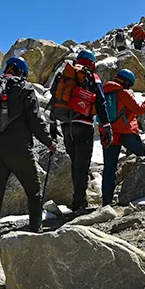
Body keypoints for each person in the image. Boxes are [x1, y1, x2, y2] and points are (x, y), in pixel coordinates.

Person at [0, 57, 55, 245]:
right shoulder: (24, 89)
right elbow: (35, 120)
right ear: (21, 72)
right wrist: (49, 143)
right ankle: (35, 232)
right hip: (18, 150)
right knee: (33, 190)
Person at [48, 49, 112, 213]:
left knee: (75, 162)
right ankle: (79, 202)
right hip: (83, 124)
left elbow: (54, 99)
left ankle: (78, 199)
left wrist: (53, 124)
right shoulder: (91, 77)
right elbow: (101, 102)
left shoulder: (64, 75)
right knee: (82, 164)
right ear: (92, 63)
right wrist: (106, 125)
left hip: (65, 124)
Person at [101, 69, 145, 206]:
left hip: (108, 134)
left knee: (109, 168)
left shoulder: (103, 92)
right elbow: (139, 110)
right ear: (127, 82)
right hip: (126, 132)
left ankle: (106, 201)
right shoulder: (123, 93)